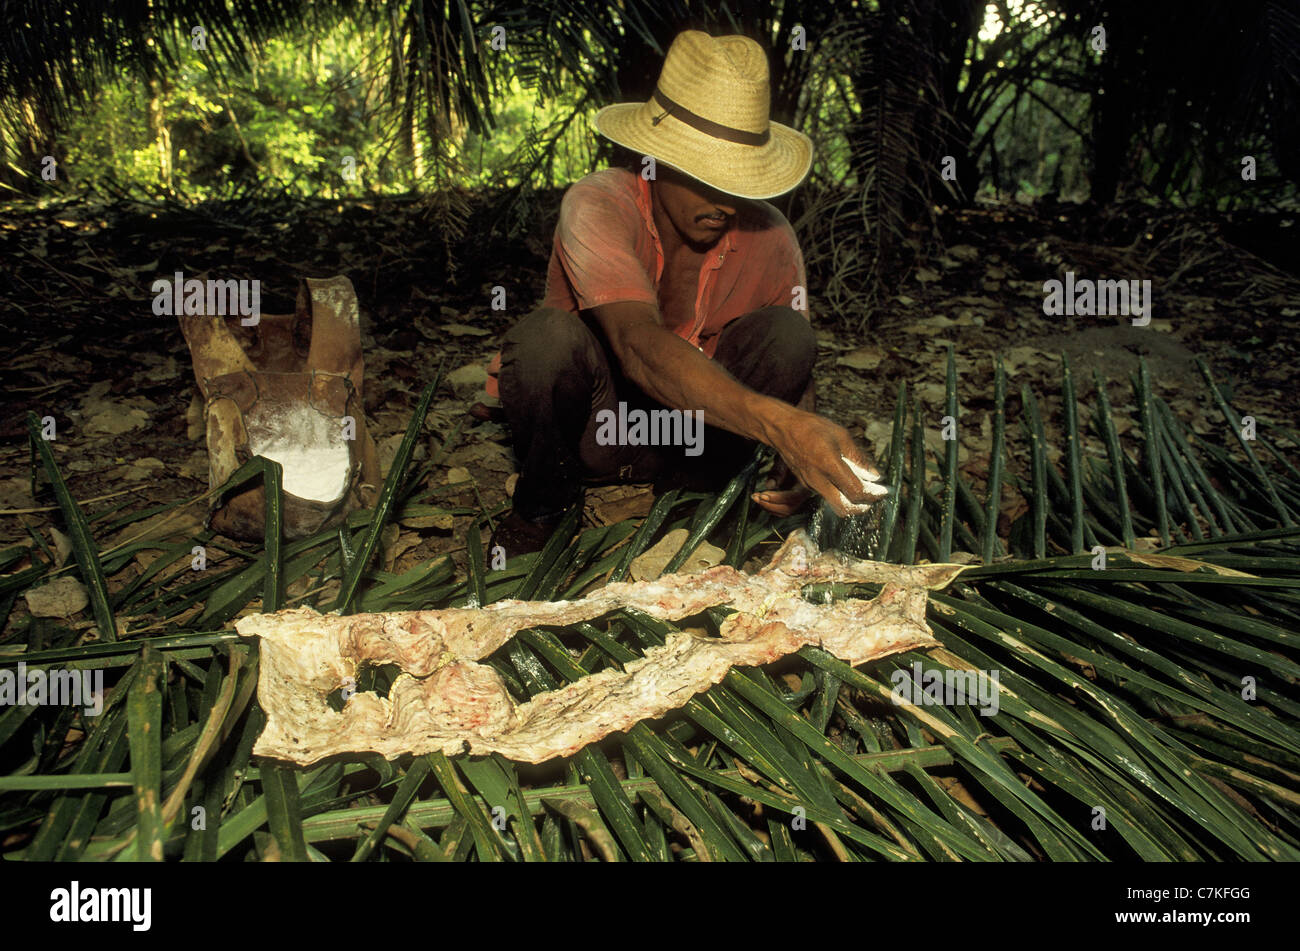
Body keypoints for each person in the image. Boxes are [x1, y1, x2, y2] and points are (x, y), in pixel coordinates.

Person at [486, 30, 881, 558]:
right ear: (657, 159)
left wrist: (795, 455)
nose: (723, 202)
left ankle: (698, 506)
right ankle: (544, 509)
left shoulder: (771, 236)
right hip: (594, 434)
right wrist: (779, 426)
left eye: (736, 182)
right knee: (544, 339)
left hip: (696, 442)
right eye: (704, 177)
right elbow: (636, 344)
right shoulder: (599, 203)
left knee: (788, 333)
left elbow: (793, 363)